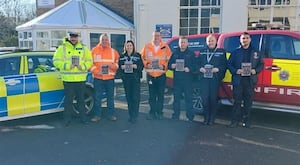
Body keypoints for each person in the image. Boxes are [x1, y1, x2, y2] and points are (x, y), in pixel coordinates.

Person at [52, 31, 93, 126]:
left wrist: (82, 66)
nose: (73, 39)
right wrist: (67, 65)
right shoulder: (62, 48)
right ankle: (67, 119)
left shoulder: (83, 48)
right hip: (68, 79)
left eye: (75, 37)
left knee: (81, 100)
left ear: (78, 38)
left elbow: (89, 61)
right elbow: (55, 61)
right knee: (68, 101)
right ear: (69, 37)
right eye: (72, 37)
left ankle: (83, 118)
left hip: (80, 79)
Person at [227, 32, 264, 128]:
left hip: (250, 80)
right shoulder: (235, 52)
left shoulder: (255, 52)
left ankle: (246, 121)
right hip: (238, 80)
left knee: (248, 102)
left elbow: (261, 64)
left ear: (250, 39)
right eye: (243, 38)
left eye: (247, 38)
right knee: (237, 102)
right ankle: (235, 121)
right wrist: (236, 71)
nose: (245, 40)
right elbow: (229, 64)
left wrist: (255, 71)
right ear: (240, 40)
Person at [193, 34, 227, 125]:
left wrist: (218, 69)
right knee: (205, 98)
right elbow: (196, 64)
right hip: (204, 79)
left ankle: (212, 118)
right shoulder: (202, 52)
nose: (210, 42)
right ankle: (206, 117)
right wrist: (200, 68)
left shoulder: (221, 52)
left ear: (216, 41)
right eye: (209, 41)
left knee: (213, 99)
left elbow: (224, 65)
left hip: (214, 79)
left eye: (212, 41)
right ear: (206, 42)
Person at [141, 30, 172, 120]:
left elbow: (169, 60)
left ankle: (159, 112)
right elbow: (142, 57)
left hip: (161, 75)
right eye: (155, 36)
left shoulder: (166, 47)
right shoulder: (147, 47)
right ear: (152, 36)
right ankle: (152, 112)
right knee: (152, 95)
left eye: (158, 36)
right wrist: (147, 64)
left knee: (160, 95)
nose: (156, 37)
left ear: (160, 37)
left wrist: (162, 66)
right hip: (150, 74)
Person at [90, 33, 120, 122]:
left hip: (109, 78)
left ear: (108, 41)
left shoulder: (113, 52)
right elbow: (90, 64)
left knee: (110, 98)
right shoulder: (94, 51)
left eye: (106, 40)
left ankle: (111, 115)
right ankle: (97, 115)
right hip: (98, 78)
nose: (104, 41)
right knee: (97, 97)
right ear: (100, 41)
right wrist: (96, 71)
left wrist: (112, 66)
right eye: (103, 40)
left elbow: (117, 64)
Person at [167, 36, 194, 121]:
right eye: (181, 42)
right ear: (178, 43)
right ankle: (176, 115)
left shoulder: (191, 53)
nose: (182, 44)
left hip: (187, 80)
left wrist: (189, 69)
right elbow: (169, 65)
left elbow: (195, 66)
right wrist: (172, 65)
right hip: (177, 80)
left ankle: (190, 116)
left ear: (187, 43)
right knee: (176, 99)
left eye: (184, 42)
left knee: (188, 99)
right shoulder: (175, 54)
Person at [119, 40, 144, 123]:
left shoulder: (138, 55)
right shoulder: (122, 56)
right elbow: (118, 68)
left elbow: (141, 67)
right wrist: (121, 67)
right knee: (129, 98)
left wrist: (136, 66)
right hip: (126, 80)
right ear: (125, 47)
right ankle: (130, 115)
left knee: (135, 98)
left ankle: (135, 115)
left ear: (133, 47)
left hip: (135, 80)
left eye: (130, 46)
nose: (129, 47)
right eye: (128, 46)